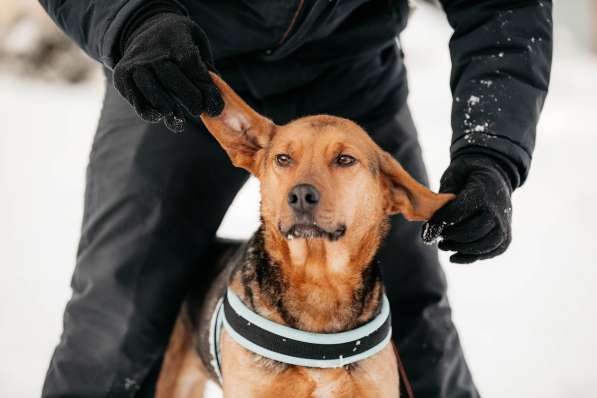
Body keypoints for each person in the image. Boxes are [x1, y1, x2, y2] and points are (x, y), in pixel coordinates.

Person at [40, 1, 552, 397]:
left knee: (417, 321)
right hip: (180, 63)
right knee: (111, 320)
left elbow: (503, 8)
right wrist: (132, 19)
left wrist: (491, 154)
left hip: (349, 65)